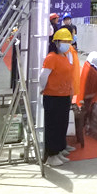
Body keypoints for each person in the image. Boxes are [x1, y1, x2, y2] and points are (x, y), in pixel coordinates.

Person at [39, 27, 76, 167]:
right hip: (53, 96)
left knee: (61, 124)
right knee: (53, 126)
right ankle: (51, 155)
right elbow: (43, 76)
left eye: (68, 41)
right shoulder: (51, 57)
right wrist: (43, 88)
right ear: (56, 42)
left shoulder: (65, 56)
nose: (66, 44)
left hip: (64, 95)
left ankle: (59, 150)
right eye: (63, 41)